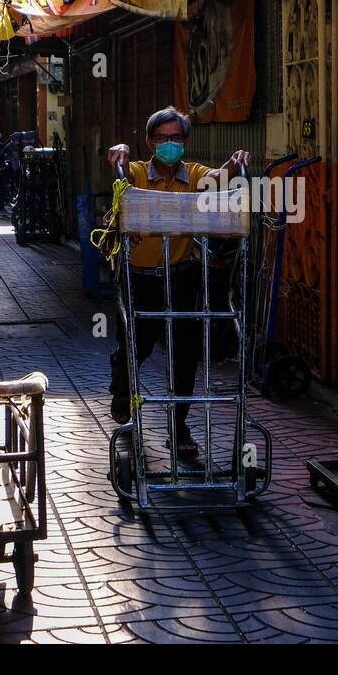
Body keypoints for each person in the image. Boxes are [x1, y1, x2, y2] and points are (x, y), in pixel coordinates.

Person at [107, 106, 250, 457]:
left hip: (182, 277)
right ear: (149, 142)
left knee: (185, 354)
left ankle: (179, 423)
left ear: (185, 142)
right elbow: (119, 170)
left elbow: (218, 177)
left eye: (175, 139)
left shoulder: (196, 174)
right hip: (140, 280)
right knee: (134, 348)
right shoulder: (138, 172)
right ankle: (122, 391)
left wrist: (234, 164)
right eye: (161, 139)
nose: (168, 144)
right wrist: (119, 153)